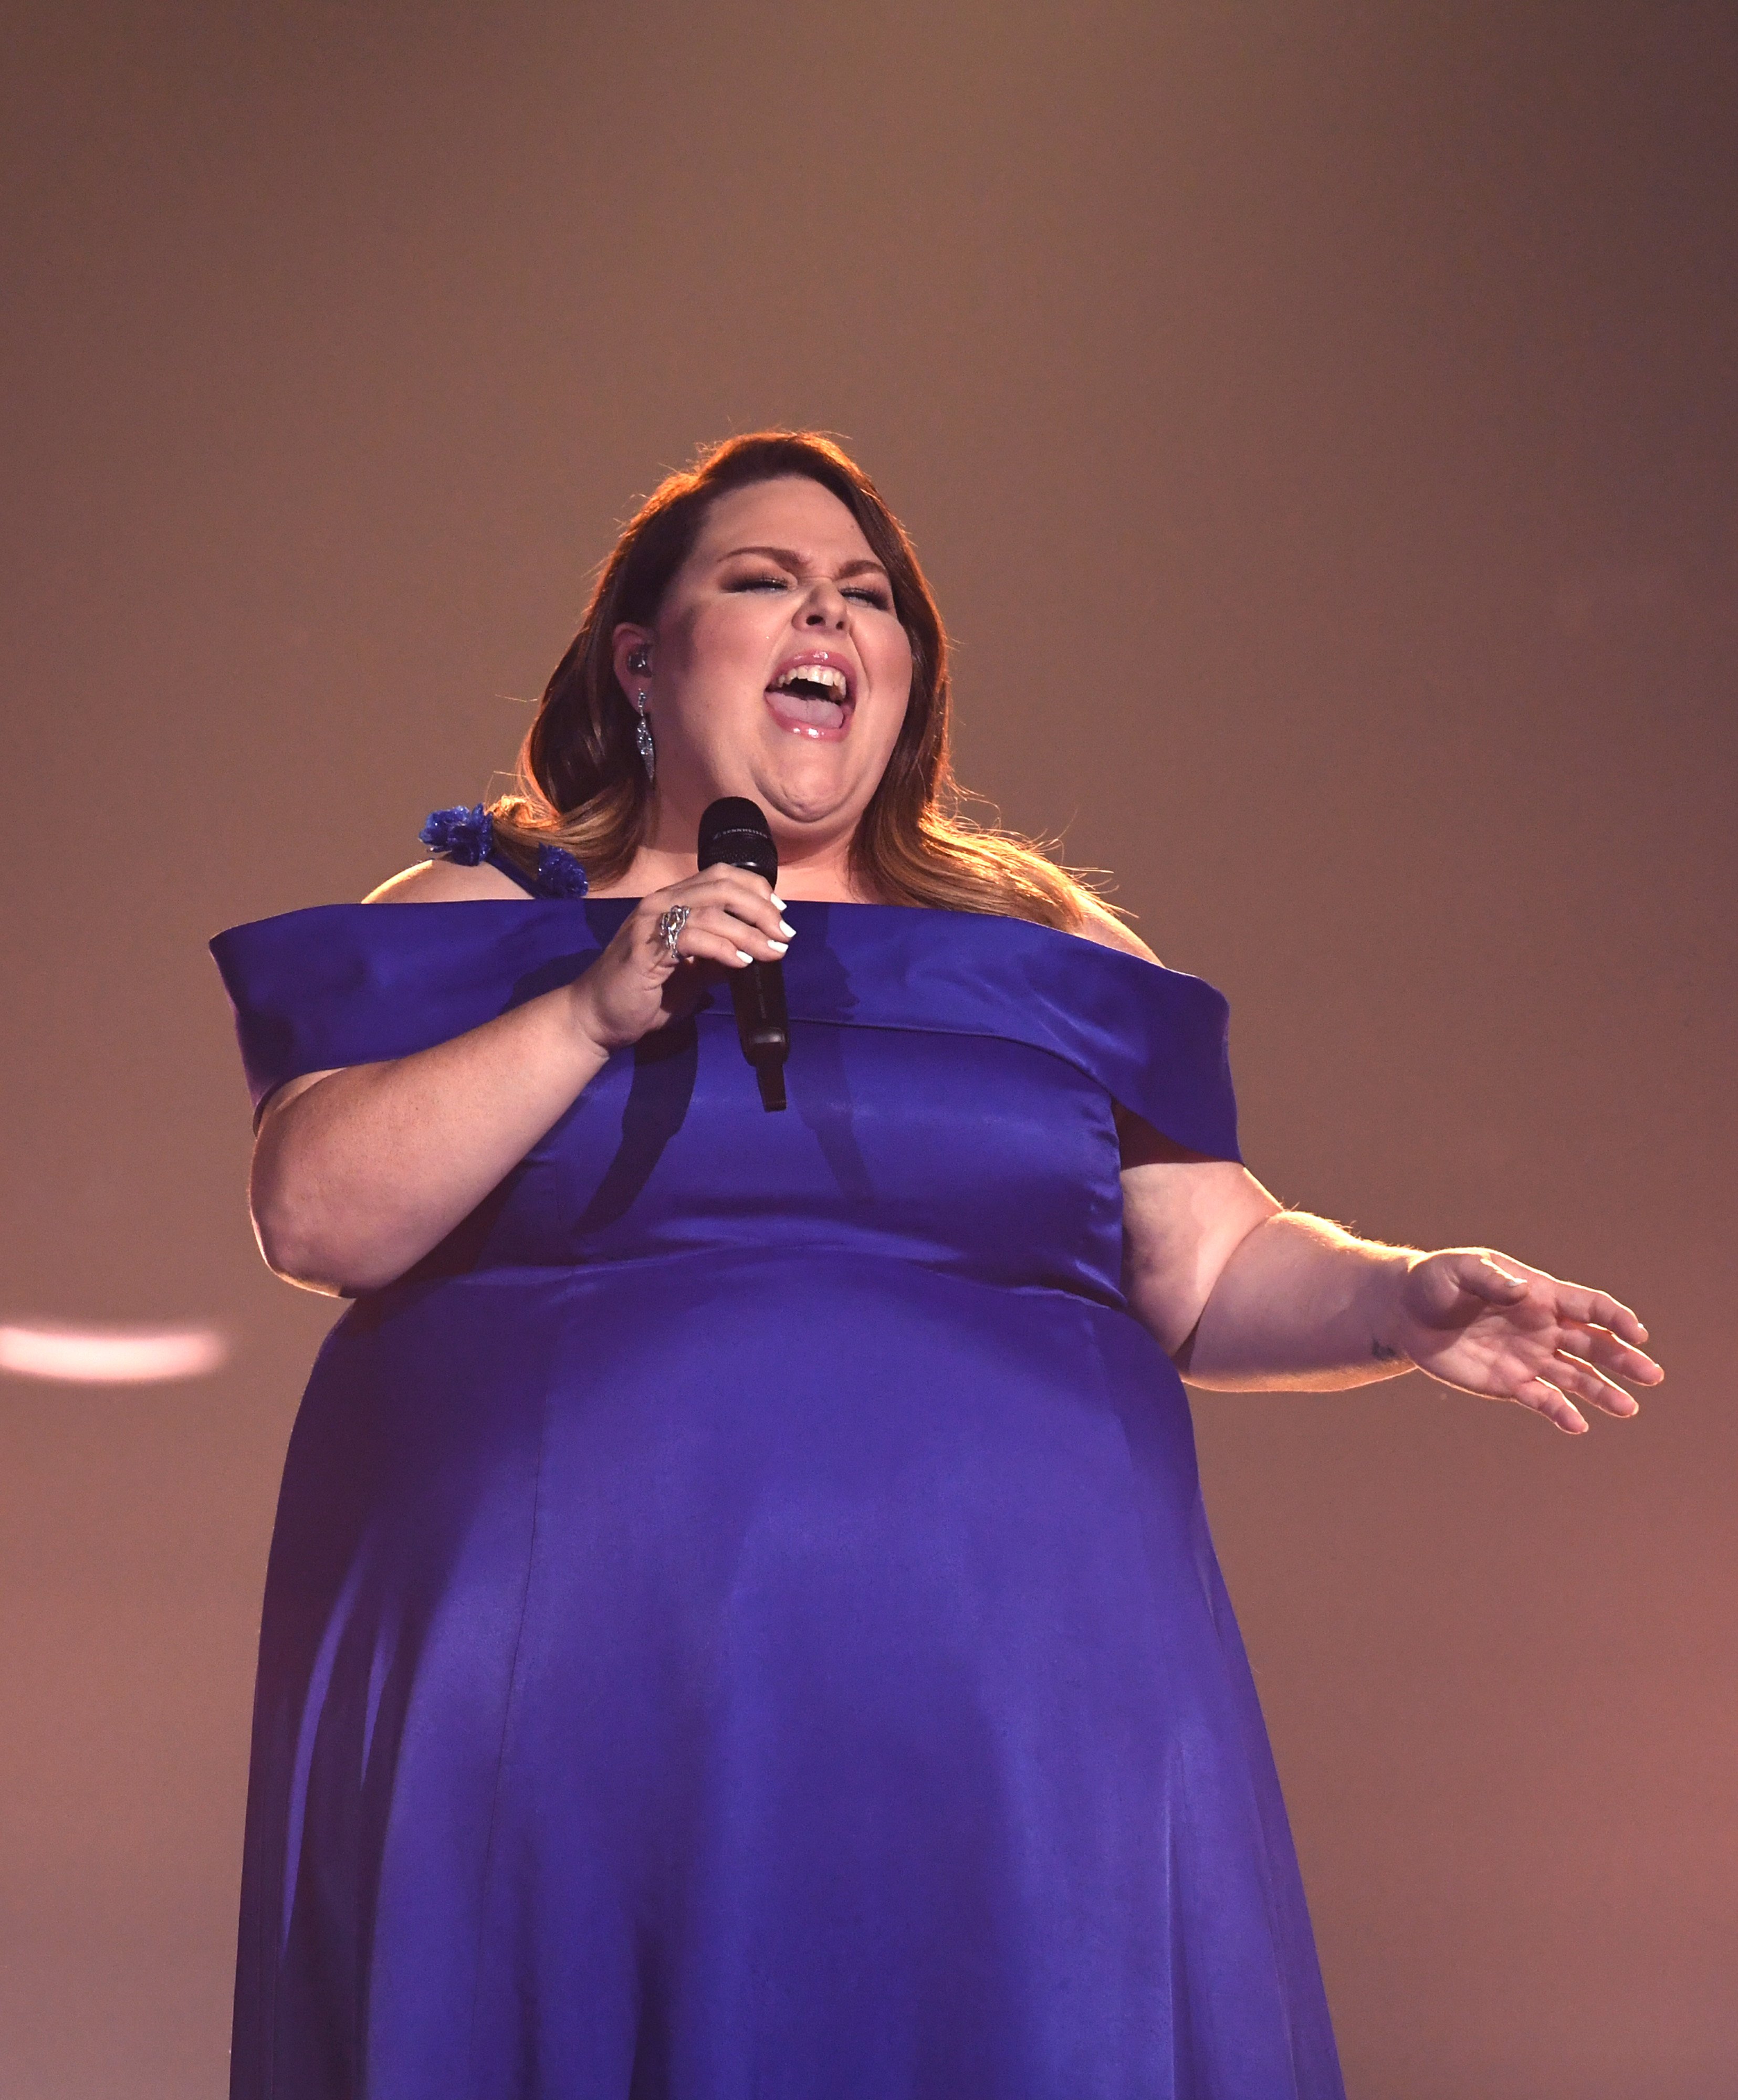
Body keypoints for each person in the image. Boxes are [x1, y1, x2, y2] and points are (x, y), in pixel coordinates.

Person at [211, 432, 1661, 2100]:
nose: (826, 614)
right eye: (762, 581)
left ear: (903, 674)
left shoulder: (1041, 947)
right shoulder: (479, 907)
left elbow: (1208, 1267)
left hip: (1012, 1702)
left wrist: (1399, 1296)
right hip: (578, 1709)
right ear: (639, 657)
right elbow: (316, 1211)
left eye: (867, 596)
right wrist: (596, 1001)